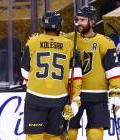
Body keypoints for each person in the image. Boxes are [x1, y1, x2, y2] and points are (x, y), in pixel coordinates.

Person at [20, 11, 82, 140]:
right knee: (54, 137)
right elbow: (76, 76)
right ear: (59, 26)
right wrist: (75, 98)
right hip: (58, 99)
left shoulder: (32, 42)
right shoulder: (69, 45)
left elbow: (24, 72)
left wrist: (33, 82)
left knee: (33, 137)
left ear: (43, 25)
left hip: (35, 97)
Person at [65, 6, 120, 140]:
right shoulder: (69, 39)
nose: (78, 23)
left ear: (91, 22)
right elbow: (53, 39)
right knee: (69, 132)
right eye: (77, 19)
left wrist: (115, 91)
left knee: (95, 134)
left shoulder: (105, 42)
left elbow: (112, 70)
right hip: (73, 94)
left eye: (83, 20)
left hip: (98, 96)